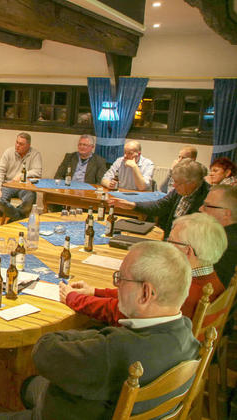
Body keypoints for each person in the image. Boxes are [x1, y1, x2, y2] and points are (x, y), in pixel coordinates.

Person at [15, 241, 199, 420]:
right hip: (104, 404)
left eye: (121, 278)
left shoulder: (116, 348)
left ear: (145, 293)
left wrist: (93, 334)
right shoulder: (187, 334)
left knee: (27, 385)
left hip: (64, 412)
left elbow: (44, 352)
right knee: (29, 386)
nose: (117, 286)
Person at [61, 213, 227, 325]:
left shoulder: (185, 292)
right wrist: (95, 291)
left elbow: (122, 312)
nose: (166, 245)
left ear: (187, 251)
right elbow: (135, 294)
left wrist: (73, 298)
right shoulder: (209, 279)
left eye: (171, 241)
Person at [109, 158, 209, 238]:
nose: (174, 185)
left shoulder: (208, 199)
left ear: (192, 183)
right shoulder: (179, 191)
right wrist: (133, 205)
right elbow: (160, 206)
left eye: (177, 182)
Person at [0, 133, 42, 222]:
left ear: (28, 145)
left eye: (21, 144)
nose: (17, 146)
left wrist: (23, 174)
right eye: (17, 142)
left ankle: (14, 217)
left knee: (30, 200)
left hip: (25, 187)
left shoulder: (35, 154)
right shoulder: (8, 152)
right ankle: (19, 218)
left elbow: (37, 172)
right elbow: (0, 171)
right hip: (9, 185)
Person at [201, 185, 237, 288]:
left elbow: (209, 288)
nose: (200, 209)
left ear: (226, 213)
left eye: (207, 206)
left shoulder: (222, 244)